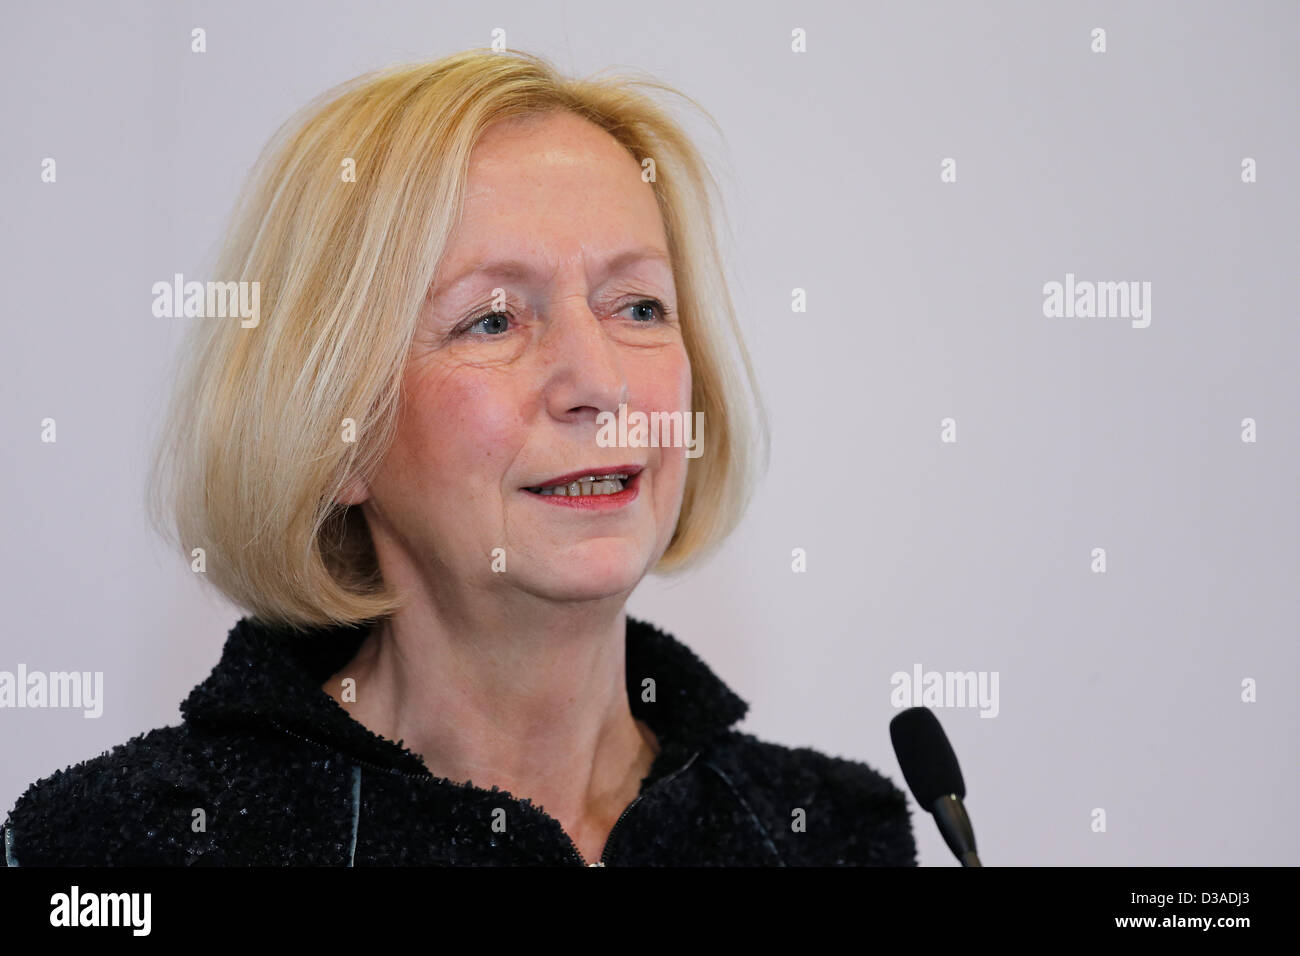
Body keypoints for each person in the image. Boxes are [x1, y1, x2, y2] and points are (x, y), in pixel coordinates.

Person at [2, 49, 916, 866]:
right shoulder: (129, 848)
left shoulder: (833, 832)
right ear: (334, 430)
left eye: (637, 306)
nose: (598, 382)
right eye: (492, 319)